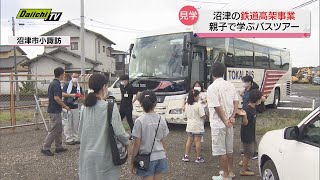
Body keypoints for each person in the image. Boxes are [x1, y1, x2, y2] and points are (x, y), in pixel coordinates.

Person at [79, 74, 129, 180]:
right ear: (104, 87)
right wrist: (127, 141)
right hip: (105, 155)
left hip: (87, 155)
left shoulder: (84, 107)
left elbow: (80, 131)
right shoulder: (110, 107)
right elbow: (120, 133)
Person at [207, 63, 239, 180]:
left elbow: (216, 106)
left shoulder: (212, 88)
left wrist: (225, 120)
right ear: (223, 72)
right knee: (229, 149)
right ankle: (230, 172)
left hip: (218, 124)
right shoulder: (230, 85)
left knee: (221, 151)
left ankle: (225, 176)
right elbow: (236, 101)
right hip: (229, 123)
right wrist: (232, 116)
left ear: (212, 73)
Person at [131, 90, 169, 180]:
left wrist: (132, 160)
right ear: (155, 103)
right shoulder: (161, 119)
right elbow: (164, 141)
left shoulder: (139, 121)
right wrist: (164, 153)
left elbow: (136, 144)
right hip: (160, 156)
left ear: (141, 103)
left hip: (146, 158)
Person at [41, 67, 70, 156]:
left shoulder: (53, 83)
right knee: (55, 129)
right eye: (63, 74)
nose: (63, 76)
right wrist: (65, 106)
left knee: (59, 128)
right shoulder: (56, 84)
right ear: (61, 74)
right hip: (54, 110)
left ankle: (59, 146)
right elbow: (56, 98)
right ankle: (45, 147)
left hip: (53, 109)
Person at [240, 75, 266, 159]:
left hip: (251, 112)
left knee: (251, 131)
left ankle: (254, 151)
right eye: (243, 82)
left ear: (250, 82)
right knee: (245, 131)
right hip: (245, 111)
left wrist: (258, 99)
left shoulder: (254, 90)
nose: (244, 83)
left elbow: (263, 98)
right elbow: (244, 98)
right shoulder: (246, 90)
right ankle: (246, 150)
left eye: (245, 82)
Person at [239, 89, 262, 176]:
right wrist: (244, 116)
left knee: (249, 152)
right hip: (247, 135)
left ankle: (245, 164)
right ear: (257, 100)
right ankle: (244, 170)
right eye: (260, 99)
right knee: (247, 153)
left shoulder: (252, 108)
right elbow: (245, 123)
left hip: (250, 133)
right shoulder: (247, 110)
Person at [182, 89, 206, 163]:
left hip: (189, 126)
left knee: (189, 140)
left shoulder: (187, 105)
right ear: (195, 96)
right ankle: (198, 157)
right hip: (197, 126)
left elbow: (185, 115)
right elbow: (203, 116)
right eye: (198, 95)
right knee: (197, 141)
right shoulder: (198, 105)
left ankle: (186, 156)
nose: (199, 96)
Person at [62, 73, 83, 145]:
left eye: (76, 77)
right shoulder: (67, 85)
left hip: (75, 106)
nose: (75, 78)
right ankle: (68, 138)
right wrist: (71, 95)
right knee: (67, 123)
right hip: (66, 106)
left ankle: (76, 137)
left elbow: (81, 96)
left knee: (76, 123)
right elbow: (63, 94)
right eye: (74, 77)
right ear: (71, 77)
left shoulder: (79, 87)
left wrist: (80, 97)